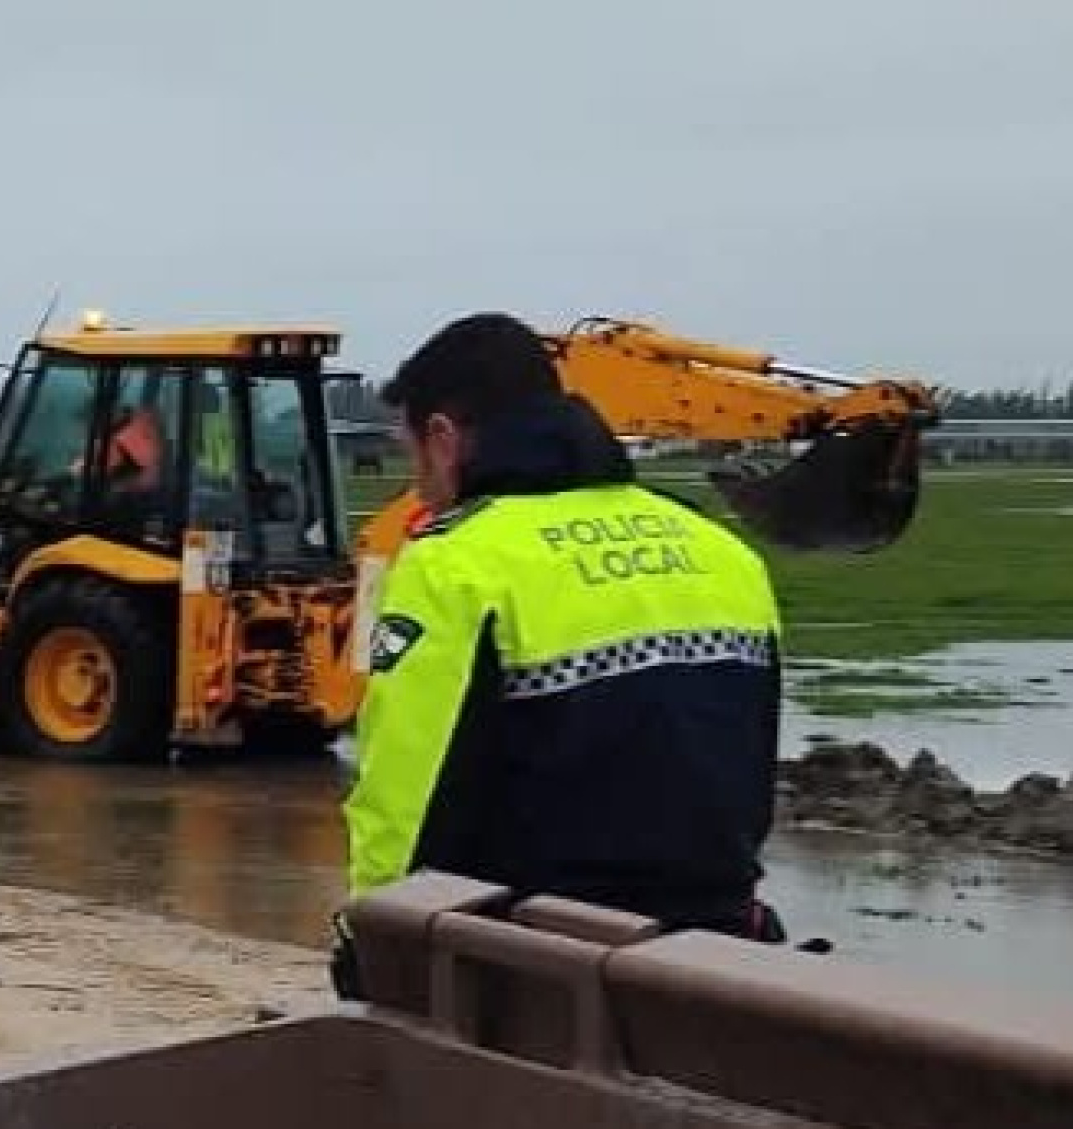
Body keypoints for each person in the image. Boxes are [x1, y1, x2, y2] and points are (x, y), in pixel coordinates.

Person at [330, 312, 789, 998]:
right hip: (714, 951)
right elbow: (748, 770)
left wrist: (375, 942)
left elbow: (406, 800)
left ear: (443, 438)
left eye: (411, 457)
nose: (417, 482)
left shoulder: (456, 566)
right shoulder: (720, 552)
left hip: (540, 962)